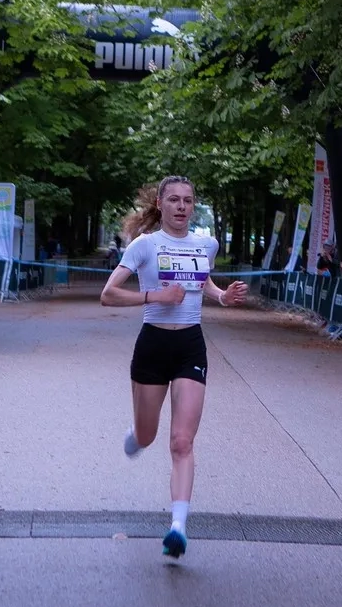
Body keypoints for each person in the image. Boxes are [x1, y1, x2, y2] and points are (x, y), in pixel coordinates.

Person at [99, 176, 248, 560]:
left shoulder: (206, 244)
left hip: (189, 346)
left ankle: (178, 527)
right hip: (152, 344)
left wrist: (222, 296)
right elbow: (108, 294)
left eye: (188, 201)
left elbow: (204, 282)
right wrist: (155, 296)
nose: (182, 207)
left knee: (182, 441)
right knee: (148, 437)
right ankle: (137, 433)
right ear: (161, 204)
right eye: (175, 200)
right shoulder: (145, 246)